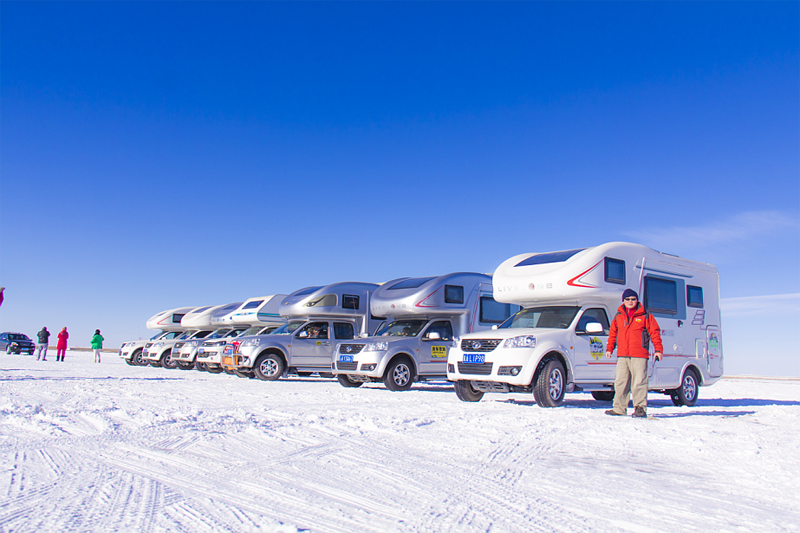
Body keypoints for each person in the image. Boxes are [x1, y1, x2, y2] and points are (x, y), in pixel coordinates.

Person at [604, 289, 663, 418]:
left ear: (637, 300)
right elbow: (613, 333)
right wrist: (609, 348)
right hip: (623, 354)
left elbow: (655, 332)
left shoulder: (645, 315)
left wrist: (658, 350)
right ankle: (619, 408)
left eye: (633, 299)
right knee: (620, 382)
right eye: (627, 299)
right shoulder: (618, 316)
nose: (630, 301)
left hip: (639, 354)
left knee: (639, 382)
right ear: (623, 301)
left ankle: (640, 408)